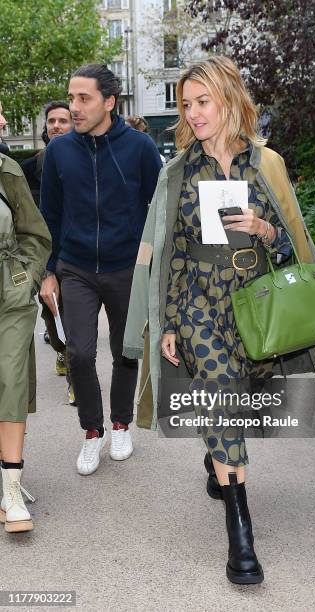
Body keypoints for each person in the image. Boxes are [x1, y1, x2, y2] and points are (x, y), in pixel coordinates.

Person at [123, 56, 315, 584]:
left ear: (229, 100)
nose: (193, 114)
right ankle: (240, 535)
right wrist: (172, 323)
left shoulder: (266, 163)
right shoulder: (177, 172)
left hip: (256, 302)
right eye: (186, 105)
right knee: (222, 397)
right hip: (200, 300)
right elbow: (169, 253)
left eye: (203, 102)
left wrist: (263, 229)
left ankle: (217, 460)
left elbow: (294, 238)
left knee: (241, 396)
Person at [40, 64, 162, 476]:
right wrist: (48, 271)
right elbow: (49, 215)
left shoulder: (140, 148)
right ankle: (92, 432)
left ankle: (121, 425)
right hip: (74, 268)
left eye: (83, 98)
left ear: (108, 102)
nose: (74, 107)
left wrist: (150, 263)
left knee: (125, 352)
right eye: (71, 98)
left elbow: (158, 211)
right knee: (79, 352)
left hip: (126, 268)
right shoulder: (58, 151)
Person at [0, 100, 52, 533]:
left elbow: (35, 234)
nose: (3, 120)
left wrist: (27, 277)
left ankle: (12, 489)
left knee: (11, 381)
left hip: (9, 296)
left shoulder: (7, 170)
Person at [21, 101, 74, 400]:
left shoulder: (83, 163)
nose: (56, 125)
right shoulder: (29, 168)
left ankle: (76, 378)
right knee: (51, 314)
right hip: (42, 254)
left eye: (63, 121)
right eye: (51, 121)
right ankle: (61, 350)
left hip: (75, 253)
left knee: (75, 318)